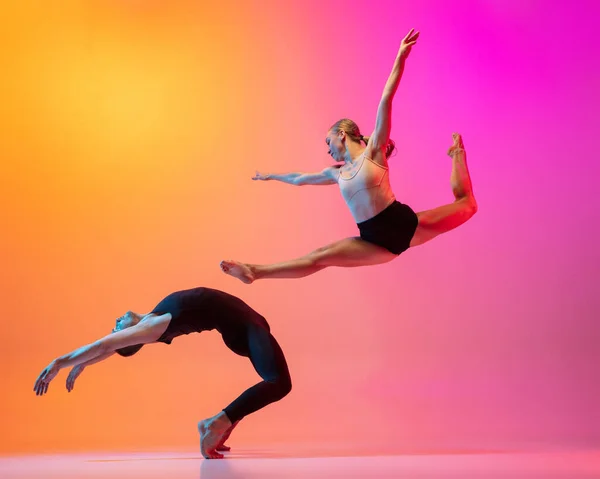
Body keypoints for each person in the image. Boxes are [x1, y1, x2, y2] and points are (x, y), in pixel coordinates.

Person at [219, 29, 478, 284]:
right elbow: (299, 179)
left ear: (342, 134)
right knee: (319, 257)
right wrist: (270, 176)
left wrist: (401, 57)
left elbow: (386, 99)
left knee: (468, 205)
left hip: (406, 226)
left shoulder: (374, 151)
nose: (327, 149)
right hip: (373, 243)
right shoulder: (336, 172)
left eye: (328, 141)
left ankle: (456, 153)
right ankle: (254, 271)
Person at [33, 287, 292, 459]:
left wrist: (84, 363)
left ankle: (227, 421)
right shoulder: (153, 327)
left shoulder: (153, 317)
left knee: (274, 381)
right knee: (279, 383)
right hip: (244, 327)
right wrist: (60, 362)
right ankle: (216, 422)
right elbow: (105, 344)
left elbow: (107, 346)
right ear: (131, 338)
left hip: (245, 326)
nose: (117, 321)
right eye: (118, 328)